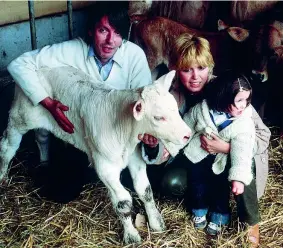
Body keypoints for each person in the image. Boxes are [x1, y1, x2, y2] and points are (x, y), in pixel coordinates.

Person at [6, 1, 152, 202]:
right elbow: (19, 64)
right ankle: (53, 165)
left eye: (118, 32)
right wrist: (47, 102)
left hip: (118, 140)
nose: (110, 40)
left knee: (142, 181)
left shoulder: (134, 55)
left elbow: (145, 100)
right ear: (91, 31)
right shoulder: (71, 50)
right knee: (60, 192)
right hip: (81, 139)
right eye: (103, 30)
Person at [142, 33, 270, 247]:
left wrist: (227, 147)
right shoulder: (169, 97)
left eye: (201, 68)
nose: (195, 77)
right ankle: (202, 203)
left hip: (231, 153)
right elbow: (168, 138)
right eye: (186, 69)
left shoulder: (229, 89)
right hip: (196, 157)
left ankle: (250, 221)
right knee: (170, 183)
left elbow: (262, 135)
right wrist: (155, 147)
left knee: (243, 160)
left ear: (210, 67)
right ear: (175, 69)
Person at [165, 71, 255, 235]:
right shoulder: (202, 110)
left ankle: (219, 216)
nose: (243, 105)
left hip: (220, 163)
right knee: (197, 185)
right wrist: (170, 148)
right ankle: (199, 210)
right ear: (224, 97)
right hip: (197, 157)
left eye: (246, 100)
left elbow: (243, 150)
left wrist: (238, 178)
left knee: (219, 189)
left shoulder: (243, 123)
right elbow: (186, 128)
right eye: (239, 101)